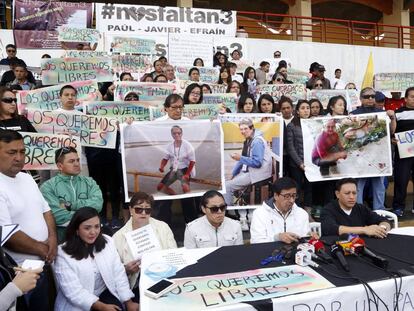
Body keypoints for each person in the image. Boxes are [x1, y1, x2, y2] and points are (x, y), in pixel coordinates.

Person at [0, 130, 57, 309]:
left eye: (22, 152)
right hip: (18, 272)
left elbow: (46, 211)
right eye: (11, 152)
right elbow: (7, 234)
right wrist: (43, 249)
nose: (19, 157)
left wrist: (53, 240)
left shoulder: (27, 178)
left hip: (44, 264)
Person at [54, 207, 138, 311]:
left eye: (97, 226)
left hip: (105, 293)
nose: (93, 232)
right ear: (76, 230)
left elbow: (118, 273)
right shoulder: (62, 253)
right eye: (87, 228)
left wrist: (128, 302)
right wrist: (102, 307)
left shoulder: (107, 242)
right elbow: (74, 292)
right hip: (76, 304)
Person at [113, 192, 177, 303]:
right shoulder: (118, 237)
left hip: (164, 278)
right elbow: (114, 271)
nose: (143, 213)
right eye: (139, 209)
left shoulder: (163, 227)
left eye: (147, 210)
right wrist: (126, 270)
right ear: (131, 209)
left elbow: (174, 255)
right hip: (136, 284)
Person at [40, 147, 103, 242]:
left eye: (78, 160)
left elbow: (98, 204)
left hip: (91, 239)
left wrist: (70, 205)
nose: (77, 164)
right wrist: (87, 217)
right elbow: (57, 216)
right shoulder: (48, 187)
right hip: (63, 239)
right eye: (71, 161)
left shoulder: (90, 182)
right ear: (60, 166)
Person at [351, 87, 396, 211]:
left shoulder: (383, 113)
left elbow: (392, 131)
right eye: (366, 96)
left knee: (379, 186)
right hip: (361, 157)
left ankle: (379, 212)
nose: (370, 98)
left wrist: (392, 118)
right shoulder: (353, 114)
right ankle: (358, 212)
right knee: (359, 186)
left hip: (379, 156)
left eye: (372, 96)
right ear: (361, 99)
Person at [223, 118, 272, 207]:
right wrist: (233, 173)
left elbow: (257, 163)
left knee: (227, 186)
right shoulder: (248, 139)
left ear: (252, 128)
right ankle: (233, 204)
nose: (243, 131)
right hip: (251, 171)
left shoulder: (257, 141)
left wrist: (240, 158)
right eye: (241, 129)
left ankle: (228, 211)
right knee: (227, 182)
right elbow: (242, 159)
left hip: (259, 174)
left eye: (246, 128)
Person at [321, 178, 391, 237]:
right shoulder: (328, 210)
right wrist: (364, 230)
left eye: (354, 193)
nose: (351, 197)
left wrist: (381, 229)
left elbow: (385, 220)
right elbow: (330, 229)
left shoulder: (361, 208)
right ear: (337, 194)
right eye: (347, 193)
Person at [250, 177, 311, 243]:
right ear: (276, 196)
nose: (292, 200)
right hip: (268, 252)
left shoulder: (302, 214)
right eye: (287, 196)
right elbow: (256, 242)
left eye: (294, 195)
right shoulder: (260, 214)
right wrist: (277, 238)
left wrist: (309, 238)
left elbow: (304, 240)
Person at [286, 100, 313, 209]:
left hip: (310, 162)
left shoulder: (313, 124)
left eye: (308, 108)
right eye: (303, 108)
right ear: (297, 111)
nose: (306, 110)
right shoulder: (292, 126)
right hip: (296, 164)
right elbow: (290, 147)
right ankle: (295, 209)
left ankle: (308, 210)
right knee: (296, 188)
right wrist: (300, 163)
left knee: (309, 188)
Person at [392, 87, 414, 217]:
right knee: (401, 180)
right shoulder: (397, 113)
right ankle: (398, 207)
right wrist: (392, 139)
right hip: (403, 154)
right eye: (412, 96)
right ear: (405, 99)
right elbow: (392, 132)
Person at [157, 125, 196, 195]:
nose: (177, 135)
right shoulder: (169, 146)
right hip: (174, 170)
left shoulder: (188, 145)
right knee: (160, 187)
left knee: (185, 188)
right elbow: (165, 158)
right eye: (174, 133)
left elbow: (192, 161)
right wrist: (161, 166)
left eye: (179, 133)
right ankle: (175, 197)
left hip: (185, 169)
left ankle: (189, 201)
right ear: (171, 134)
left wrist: (187, 174)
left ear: (182, 133)